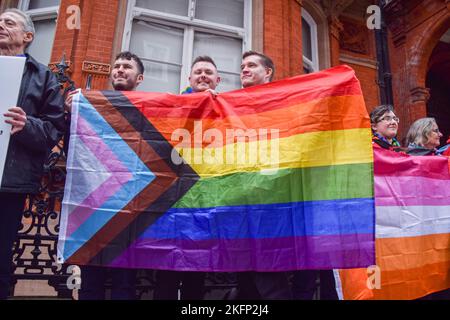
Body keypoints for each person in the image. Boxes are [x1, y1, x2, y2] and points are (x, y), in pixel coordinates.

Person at [65, 51, 145, 300]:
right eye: (117, 66)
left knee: (124, 283)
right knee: (90, 282)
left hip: (131, 206)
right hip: (95, 205)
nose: (120, 70)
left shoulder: (147, 107)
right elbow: (74, 148)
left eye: (127, 67)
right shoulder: (94, 104)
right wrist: (72, 114)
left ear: (139, 78)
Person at [0, 9, 66, 300]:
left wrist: (27, 125)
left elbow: (54, 130)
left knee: (1, 256)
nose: (1, 26)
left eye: (8, 23)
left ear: (27, 36)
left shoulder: (43, 77)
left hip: (10, 182)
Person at [153, 56, 220, 300]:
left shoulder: (226, 109)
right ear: (189, 78)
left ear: (217, 79)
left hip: (205, 205)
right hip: (172, 204)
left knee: (197, 275)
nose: (203, 76)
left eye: (208, 72)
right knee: (166, 275)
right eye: (198, 72)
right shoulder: (173, 106)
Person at [235, 51, 292, 300]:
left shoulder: (283, 102)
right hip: (239, 200)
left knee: (270, 274)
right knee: (244, 274)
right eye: (242, 66)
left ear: (267, 72)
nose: (244, 69)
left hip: (271, 201)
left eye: (251, 65)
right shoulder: (231, 104)